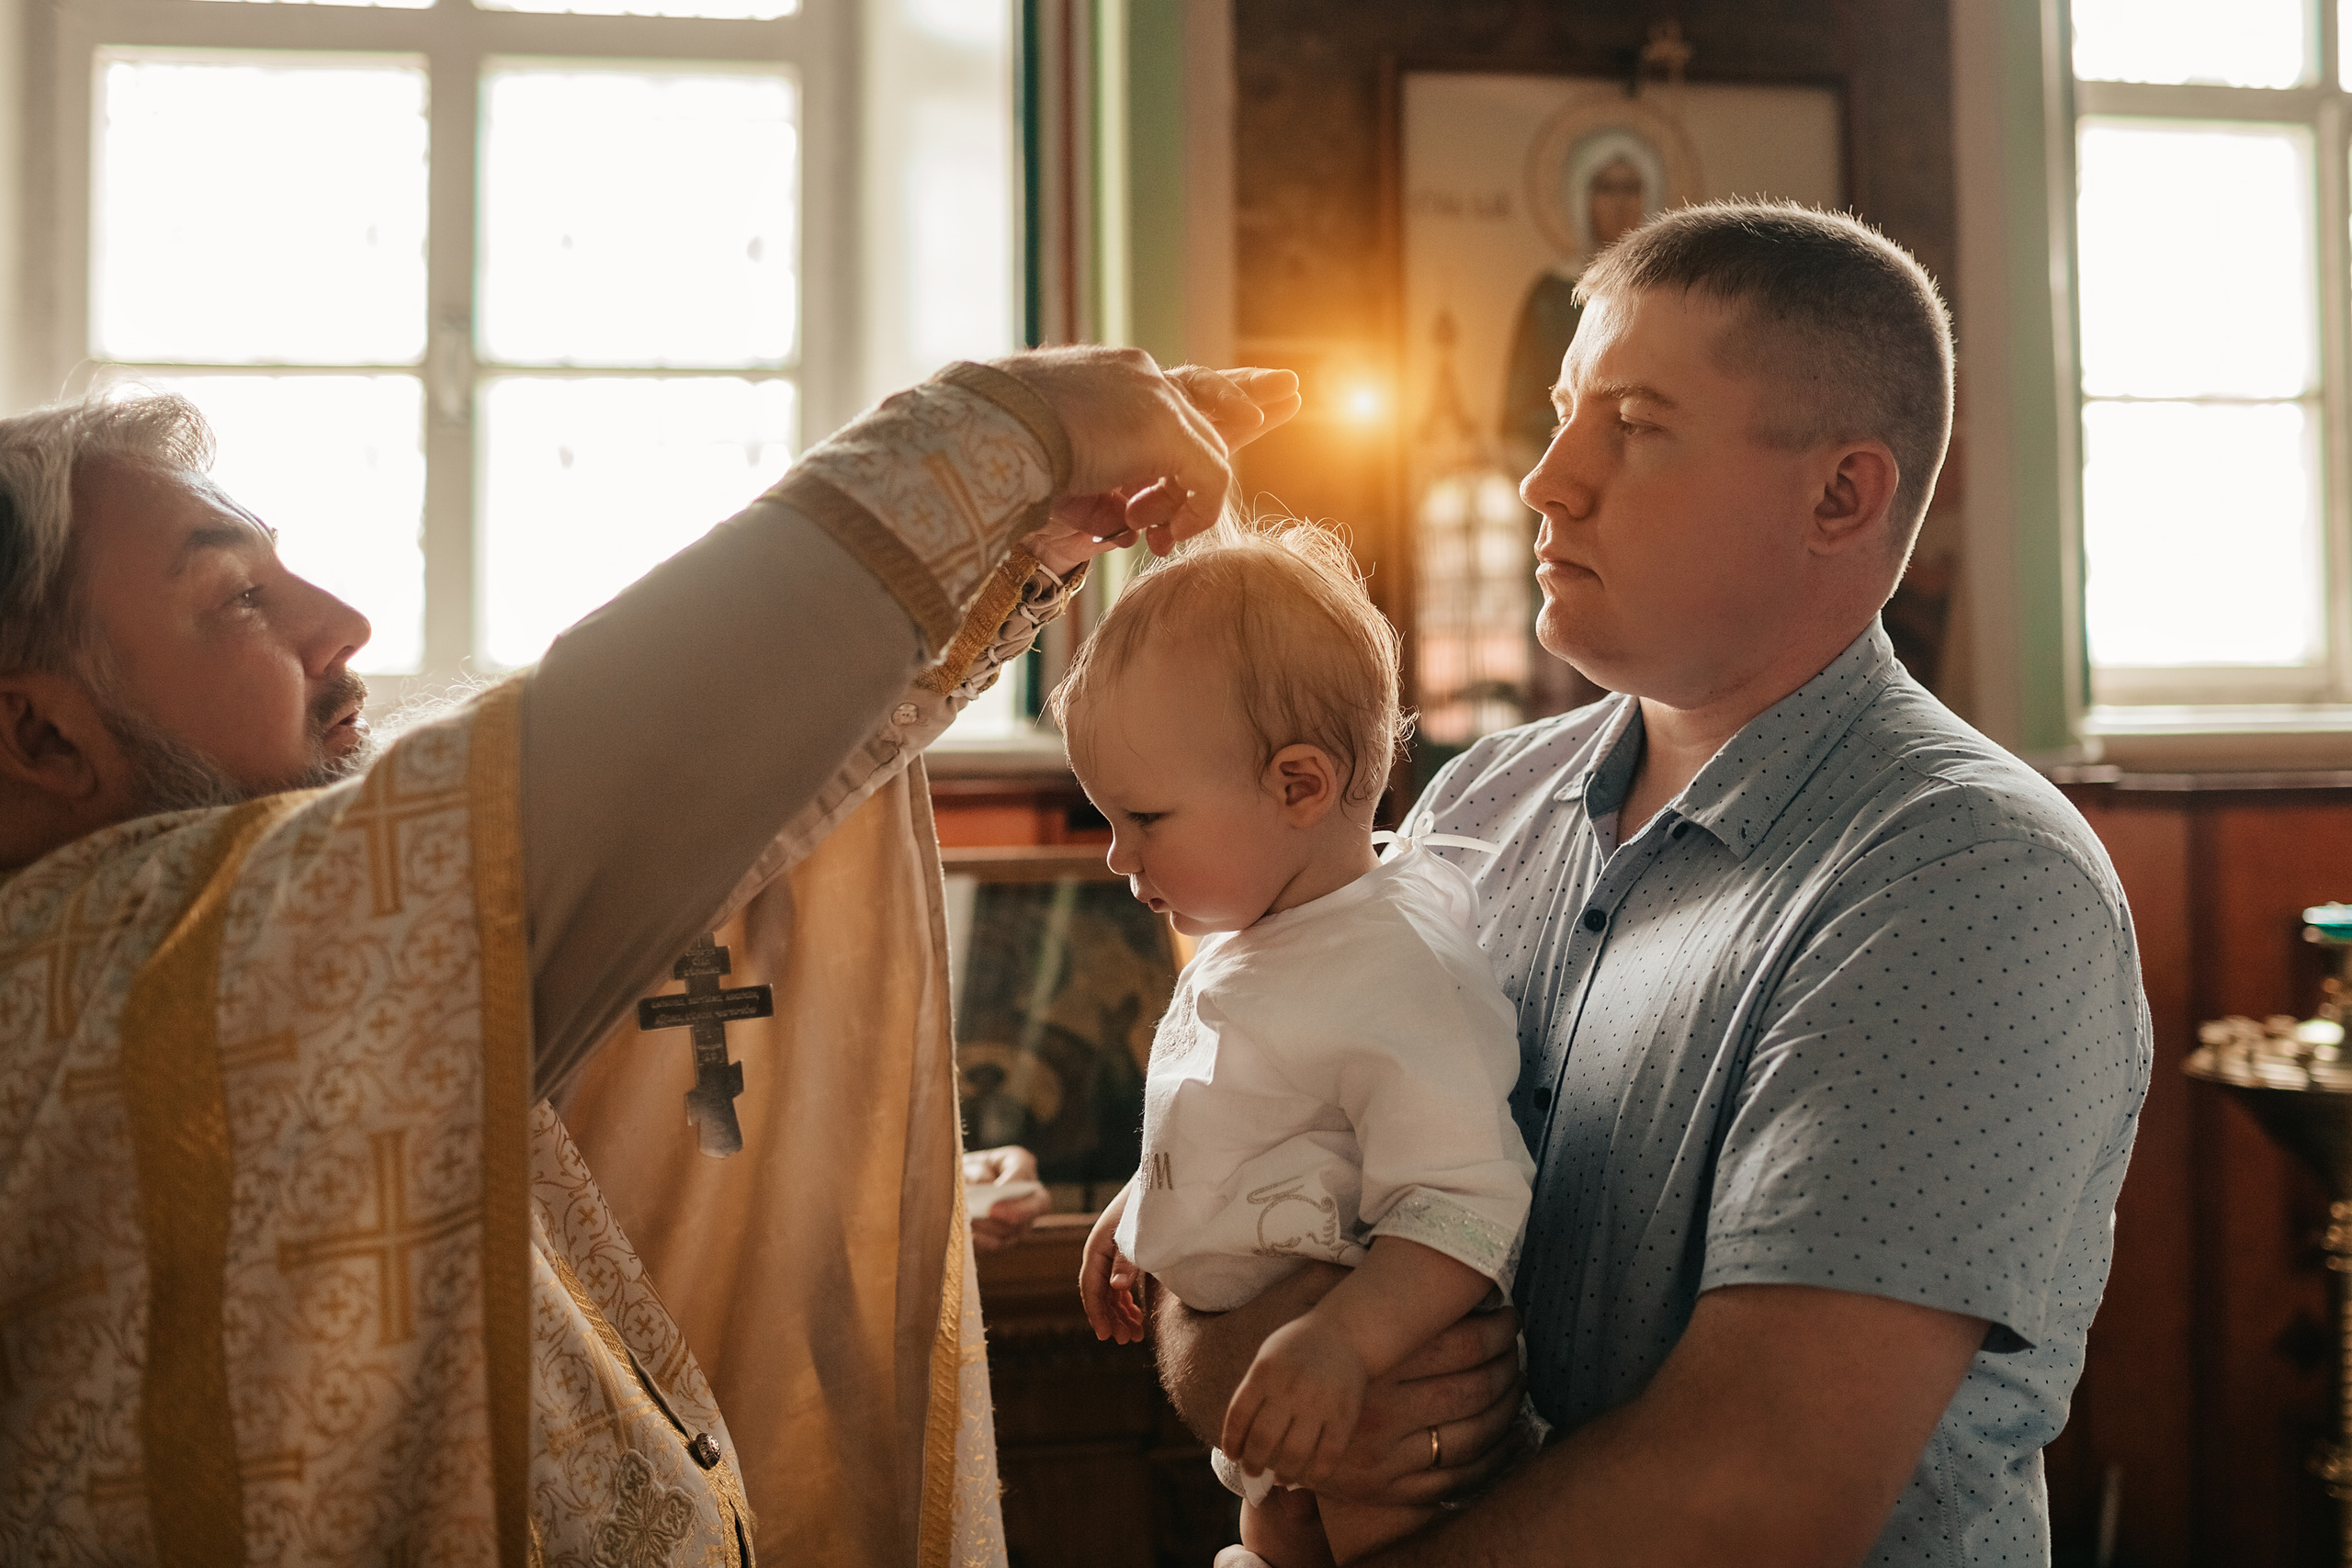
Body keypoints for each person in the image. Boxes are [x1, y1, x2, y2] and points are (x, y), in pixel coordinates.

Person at [0, 347, 1298, 1562]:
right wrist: (1002, 430)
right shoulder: (80, 973)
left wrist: (1014, 536)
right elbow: (595, 766)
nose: (342, 622)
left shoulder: (254, 962)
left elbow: (709, 805)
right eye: (236, 596)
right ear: (41, 736)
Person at [1160, 201, 2154, 1566]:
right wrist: (1276, 1375)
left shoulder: (1970, 880)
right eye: (1563, 414)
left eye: (1632, 425)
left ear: (1841, 496)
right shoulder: (1475, 806)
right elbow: (1229, 1223)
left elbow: (1755, 1491)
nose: (1547, 479)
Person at [1058, 525, 1534, 1564]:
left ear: (1299, 787)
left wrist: (1340, 1342)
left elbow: (1469, 1202)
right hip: (1285, 1406)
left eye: (1144, 818)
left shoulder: (1398, 972)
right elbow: (1263, 1114)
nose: (1117, 856)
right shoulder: (1269, 928)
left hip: (1386, 1380)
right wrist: (1147, 1203)